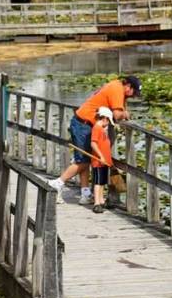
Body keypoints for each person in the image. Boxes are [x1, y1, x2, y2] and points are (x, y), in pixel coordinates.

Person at [49, 75, 141, 204]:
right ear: (128, 86)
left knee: (84, 160)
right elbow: (117, 115)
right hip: (83, 124)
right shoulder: (117, 89)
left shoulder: (116, 87)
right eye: (134, 92)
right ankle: (58, 183)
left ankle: (85, 194)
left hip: (85, 124)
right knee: (83, 161)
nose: (134, 96)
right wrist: (125, 114)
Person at [91, 106, 114, 213]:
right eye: (108, 121)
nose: (108, 124)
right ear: (104, 118)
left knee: (102, 181)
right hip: (98, 161)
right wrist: (100, 155)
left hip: (104, 161)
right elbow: (93, 143)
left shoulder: (102, 129)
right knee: (98, 182)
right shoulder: (97, 128)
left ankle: (101, 200)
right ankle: (96, 203)